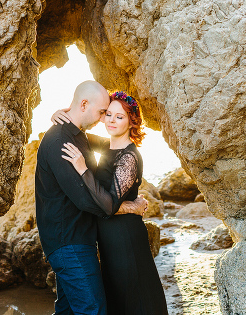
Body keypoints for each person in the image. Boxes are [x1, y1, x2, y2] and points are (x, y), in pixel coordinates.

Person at [35, 81, 148, 315]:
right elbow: (87, 200)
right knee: (93, 310)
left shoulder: (78, 137)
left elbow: (114, 147)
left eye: (112, 115)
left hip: (77, 239)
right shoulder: (61, 141)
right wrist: (130, 207)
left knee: (67, 310)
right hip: (69, 242)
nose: (103, 119)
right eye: (102, 113)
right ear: (84, 104)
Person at [54, 90, 169, 314]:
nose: (112, 120)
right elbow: (79, 132)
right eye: (108, 114)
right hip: (109, 240)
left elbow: (108, 204)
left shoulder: (129, 157)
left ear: (131, 121)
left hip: (125, 240)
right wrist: (62, 113)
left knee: (135, 300)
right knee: (115, 299)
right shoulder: (107, 146)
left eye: (120, 116)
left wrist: (83, 169)